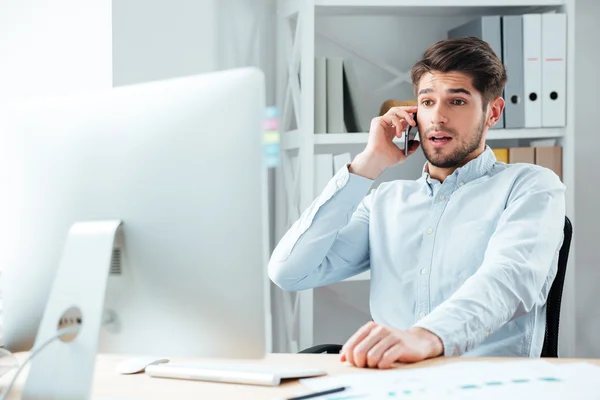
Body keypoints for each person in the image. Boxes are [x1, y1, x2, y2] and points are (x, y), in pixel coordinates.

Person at [268, 36, 566, 369]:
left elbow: (507, 280)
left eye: (457, 102)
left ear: (492, 112)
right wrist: (368, 164)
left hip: (485, 386)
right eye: (427, 102)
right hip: (394, 385)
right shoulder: (384, 202)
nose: (437, 117)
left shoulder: (530, 186)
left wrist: (425, 337)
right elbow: (289, 272)